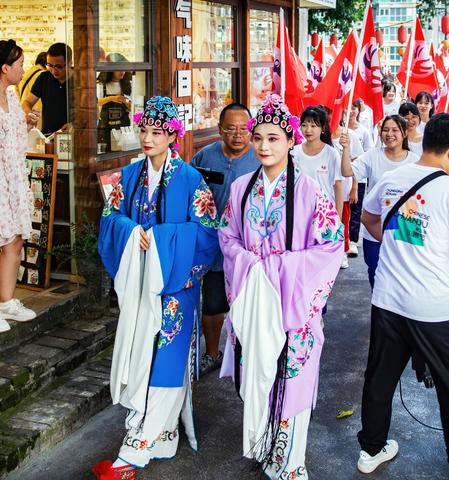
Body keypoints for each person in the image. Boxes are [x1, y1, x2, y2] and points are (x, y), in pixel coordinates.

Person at [218, 94, 343, 479]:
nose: (263, 146)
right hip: (256, 302)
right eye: (258, 138)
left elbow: (331, 245)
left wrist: (277, 269)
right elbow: (227, 237)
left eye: (273, 138)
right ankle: (265, 447)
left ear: (291, 141)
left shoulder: (310, 190)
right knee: (259, 376)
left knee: (291, 381)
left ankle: (290, 462)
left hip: (293, 307)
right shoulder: (241, 188)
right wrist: (250, 266)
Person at [93, 96, 219, 479]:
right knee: (140, 356)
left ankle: (135, 452)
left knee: (167, 361)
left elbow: (208, 235)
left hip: (175, 288)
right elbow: (109, 219)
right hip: (138, 284)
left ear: (172, 136)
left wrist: (162, 239)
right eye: (144, 130)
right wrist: (133, 233)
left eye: (157, 132)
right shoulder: (128, 176)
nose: (147, 138)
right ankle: (161, 435)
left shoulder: (191, 179)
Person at [357, 113, 449, 480]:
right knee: (447, 380)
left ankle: (371, 450)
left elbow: (367, 218)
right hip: (432, 307)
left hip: (388, 301)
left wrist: (397, 246)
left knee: (379, 378)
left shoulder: (392, 180)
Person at [190, 103, 259, 375]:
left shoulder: (260, 158)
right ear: (220, 130)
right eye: (230, 129)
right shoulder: (203, 158)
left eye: (244, 129)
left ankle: (247, 355)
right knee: (214, 301)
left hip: (248, 246)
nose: (237, 135)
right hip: (212, 246)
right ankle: (212, 353)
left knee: (249, 303)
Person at [340, 115, 419, 287]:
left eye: (395, 130)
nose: (389, 134)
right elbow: (347, 172)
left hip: (405, 227)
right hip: (375, 226)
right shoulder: (372, 156)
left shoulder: (415, 161)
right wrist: (346, 149)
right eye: (385, 130)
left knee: (404, 276)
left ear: (404, 133)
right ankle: (380, 310)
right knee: (375, 272)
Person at [0, 39, 38, 333]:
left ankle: (7, 301)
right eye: (20, 64)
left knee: (14, 239)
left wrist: (26, 123)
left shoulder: (12, 97)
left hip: (14, 176)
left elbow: (14, 141)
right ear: (4, 68)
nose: (23, 70)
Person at [292, 106, 343, 216]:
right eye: (304, 125)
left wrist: (338, 218)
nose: (308, 130)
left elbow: (338, 186)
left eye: (313, 126)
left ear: (323, 128)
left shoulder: (331, 154)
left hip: (325, 213)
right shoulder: (294, 152)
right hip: (300, 211)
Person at [332, 113, 364, 268]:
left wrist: (354, 187)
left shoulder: (349, 134)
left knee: (343, 220)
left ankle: (342, 251)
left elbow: (357, 161)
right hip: (325, 188)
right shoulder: (321, 135)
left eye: (333, 111)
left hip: (344, 187)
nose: (330, 116)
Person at [22, 43, 73, 135]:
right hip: (47, 137)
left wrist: (75, 125)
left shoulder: (81, 80)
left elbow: (93, 112)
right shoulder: (44, 77)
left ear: (70, 63)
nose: (53, 70)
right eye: (49, 65)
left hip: (73, 138)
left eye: (58, 66)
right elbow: (27, 102)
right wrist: (29, 113)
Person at [347, 100, 373, 258]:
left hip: (359, 177)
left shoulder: (363, 131)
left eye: (353, 108)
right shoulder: (339, 130)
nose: (350, 111)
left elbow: (367, 153)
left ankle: (353, 241)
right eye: (348, 108)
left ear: (358, 110)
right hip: (343, 176)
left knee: (356, 210)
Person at [97, 53, 132, 152]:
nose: (122, 72)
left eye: (124, 69)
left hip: (123, 129)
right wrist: (112, 98)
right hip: (105, 129)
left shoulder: (128, 85)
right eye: (119, 69)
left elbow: (133, 107)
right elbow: (95, 102)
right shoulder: (101, 85)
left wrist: (128, 104)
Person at [16, 51, 46, 131]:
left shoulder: (25, 73)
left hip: (24, 112)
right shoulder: (43, 76)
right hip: (36, 115)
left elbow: (18, 94)